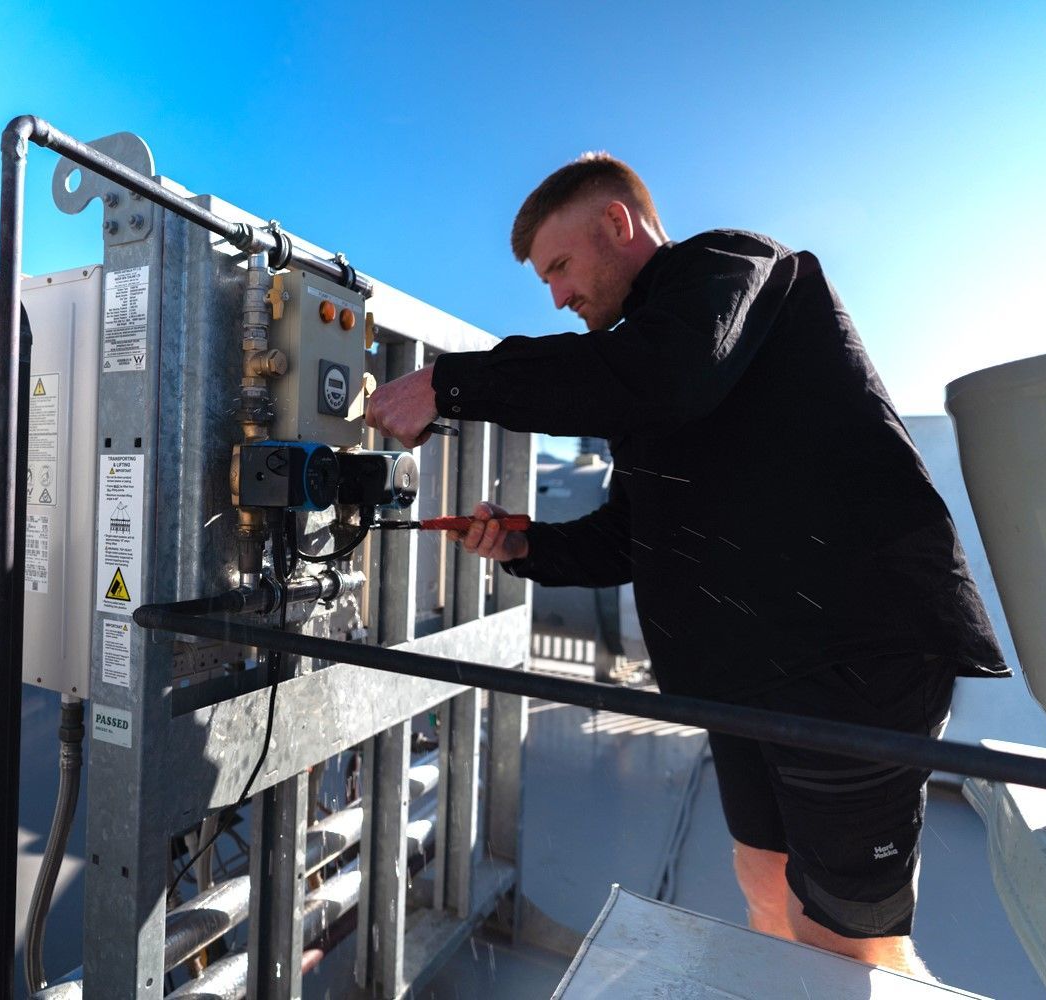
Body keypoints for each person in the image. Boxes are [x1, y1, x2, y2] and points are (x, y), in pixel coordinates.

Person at [364, 153, 1008, 976]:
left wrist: (448, 384)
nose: (558, 297)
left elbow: (666, 375)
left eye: (559, 267)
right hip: (745, 683)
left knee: (852, 947)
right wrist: (523, 542)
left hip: (849, 663)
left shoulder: (734, 266)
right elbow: (632, 536)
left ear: (618, 225)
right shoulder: (646, 373)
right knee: (763, 880)